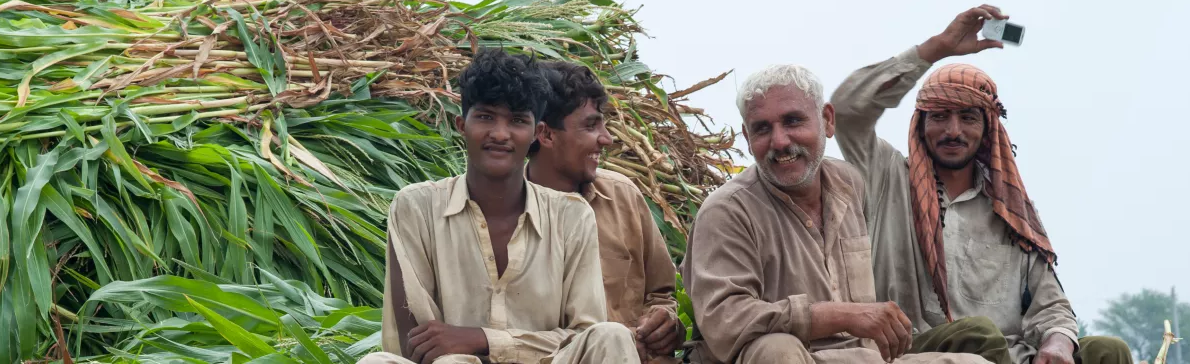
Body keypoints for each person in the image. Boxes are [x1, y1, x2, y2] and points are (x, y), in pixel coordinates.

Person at [830, 5, 1133, 364]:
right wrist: (937, 48)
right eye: (939, 117)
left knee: (1108, 351)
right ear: (921, 126)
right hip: (920, 350)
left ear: (988, 127)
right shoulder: (887, 178)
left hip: (1010, 354)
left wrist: (1057, 343)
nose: (953, 131)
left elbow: (1050, 305)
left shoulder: (1011, 209)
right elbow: (847, 109)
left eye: (968, 117)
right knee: (978, 334)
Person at [681, 64, 1004, 364]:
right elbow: (724, 321)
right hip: (796, 357)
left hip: (861, 358)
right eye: (762, 128)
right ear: (748, 138)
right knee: (776, 349)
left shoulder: (849, 183)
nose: (779, 141)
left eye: (793, 121)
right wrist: (839, 315)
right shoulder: (728, 211)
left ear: (828, 120)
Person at [358, 49, 640, 364]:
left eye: (517, 120)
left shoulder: (571, 216)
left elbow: (584, 334)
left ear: (536, 133)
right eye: (486, 116)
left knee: (611, 336)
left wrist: (483, 339)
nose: (500, 134)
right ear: (461, 125)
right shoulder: (416, 208)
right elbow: (421, 344)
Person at [526, 61, 685, 364]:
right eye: (590, 125)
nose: (607, 138)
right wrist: (614, 343)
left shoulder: (623, 196)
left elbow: (661, 293)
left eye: (603, 124)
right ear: (546, 135)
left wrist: (662, 321)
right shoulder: (509, 215)